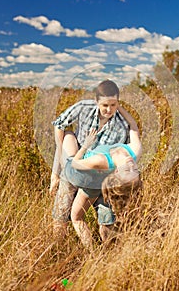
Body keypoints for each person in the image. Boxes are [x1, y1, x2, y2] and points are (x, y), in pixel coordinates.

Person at [51, 80, 131, 239]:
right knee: (61, 216)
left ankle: (106, 257)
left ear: (118, 102)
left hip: (99, 176)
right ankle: (59, 252)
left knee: (106, 223)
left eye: (113, 105)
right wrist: (57, 170)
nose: (109, 110)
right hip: (74, 167)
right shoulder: (83, 108)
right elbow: (59, 125)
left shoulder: (122, 126)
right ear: (96, 102)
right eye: (105, 105)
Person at [60, 105, 142, 249]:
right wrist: (118, 106)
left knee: (76, 217)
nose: (130, 164)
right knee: (105, 216)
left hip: (81, 177)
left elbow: (75, 164)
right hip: (98, 179)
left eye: (126, 170)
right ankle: (107, 247)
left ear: (117, 172)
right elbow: (133, 125)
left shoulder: (100, 160)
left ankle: (92, 254)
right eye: (134, 169)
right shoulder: (135, 152)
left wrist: (85, 145)